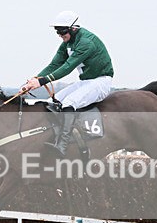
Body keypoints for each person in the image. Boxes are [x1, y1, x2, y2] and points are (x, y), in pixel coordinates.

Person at [20, 11, 114, 156]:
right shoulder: (67, 43)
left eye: (62, 32)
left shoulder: (86, 43)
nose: (59, 35)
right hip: (86, 81)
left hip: (101, 82)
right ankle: (52, 137)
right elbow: (54, 65)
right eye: (57, 32)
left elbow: (67, 67)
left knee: (69, 103)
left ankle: (62, 146)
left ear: (73, 28)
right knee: (51, 103)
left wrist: (42, 81)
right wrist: (34, 80)